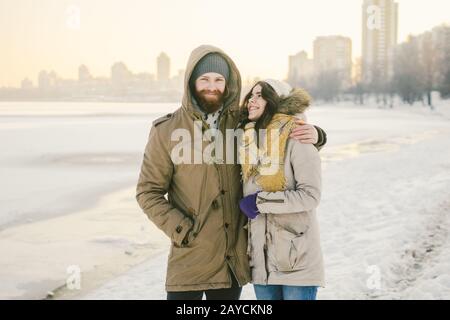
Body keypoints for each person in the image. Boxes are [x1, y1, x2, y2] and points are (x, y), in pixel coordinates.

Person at [135, 45, 327, 300]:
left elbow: (282, 128)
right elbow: (148, 192)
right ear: (190, 82)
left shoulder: (243, 121)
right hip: (188, 258)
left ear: (228, 84)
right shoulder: (166, 130)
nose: (211, 86)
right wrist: (181, 229)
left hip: (230, 262)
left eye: (218, 80)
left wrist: (317, 135)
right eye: (204, 79)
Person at [238, 80, 325, 300]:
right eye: (251, 95)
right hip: (261, 265)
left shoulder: (298, 138)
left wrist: (260, 202)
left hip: (296, 260)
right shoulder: (247, 141)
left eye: (260, 95)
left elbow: (310, 196)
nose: (252, 100)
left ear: (277, 101)